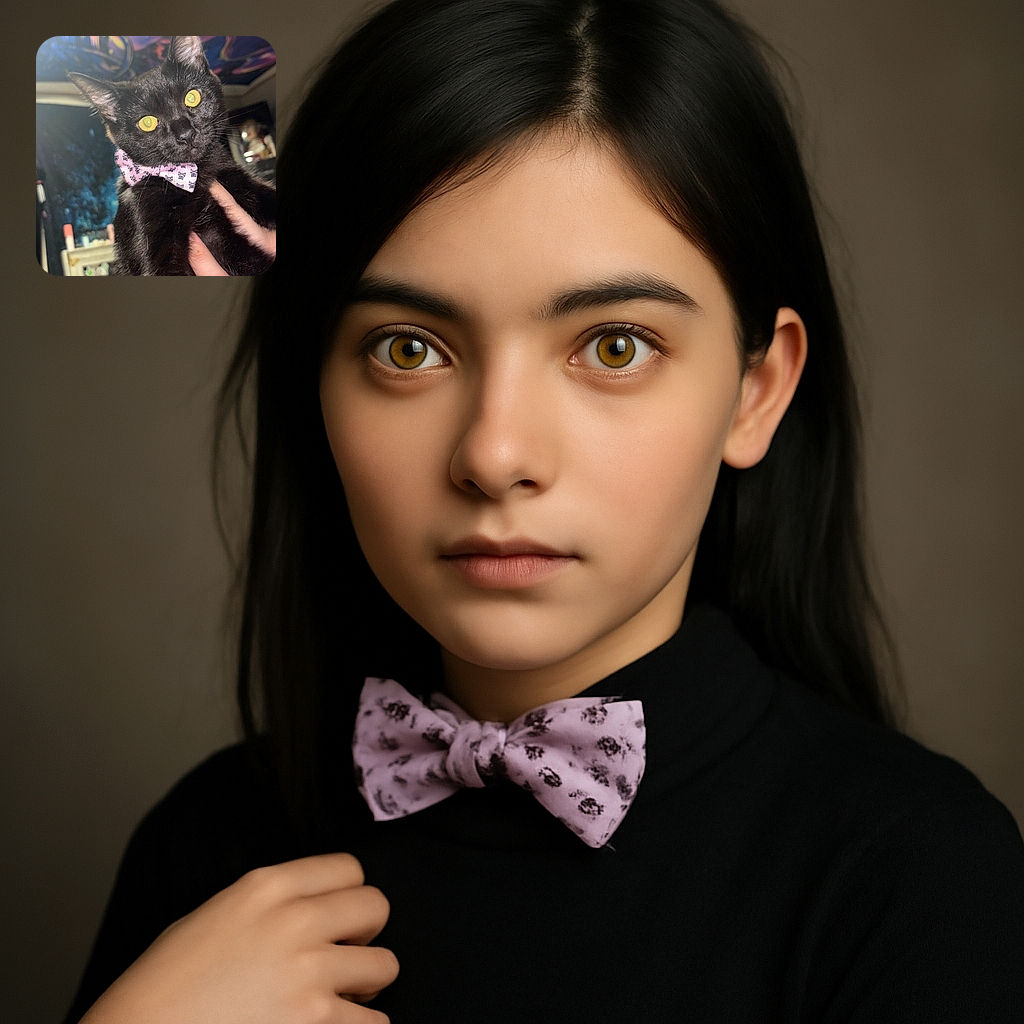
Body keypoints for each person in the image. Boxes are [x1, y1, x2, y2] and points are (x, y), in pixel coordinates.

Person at [65, 1, 1024, 1021]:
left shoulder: (918, 874)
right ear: (316, 384)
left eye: (614, 346)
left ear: (756, 390)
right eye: (407, 348)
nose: (495, 454)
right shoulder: (209, 843)